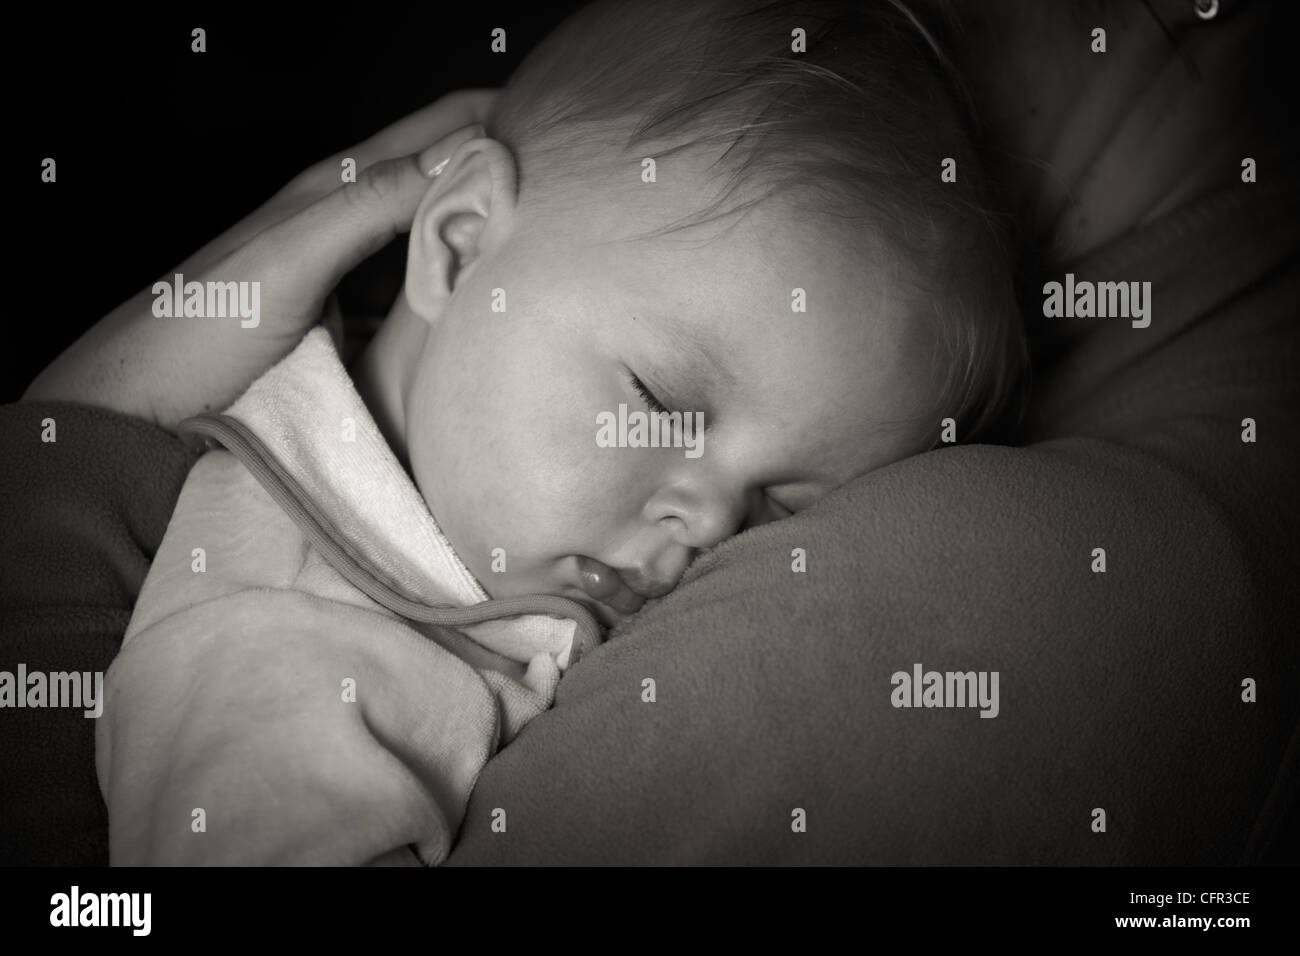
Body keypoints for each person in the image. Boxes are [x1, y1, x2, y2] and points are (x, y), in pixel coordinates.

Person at [13, 0, 1029, 865]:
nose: (713, 518)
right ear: (457, 250)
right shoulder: (299, 610)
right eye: (659, 396)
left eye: (783, 503)